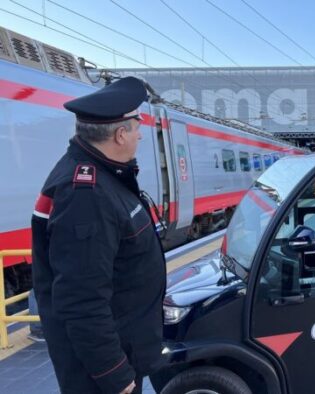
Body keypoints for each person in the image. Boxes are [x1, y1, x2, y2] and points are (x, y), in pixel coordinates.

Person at [31, 77, 166, 394]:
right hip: (103, 374)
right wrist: (116, 376)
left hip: (122, 349)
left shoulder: (101, 173)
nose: (140, 135)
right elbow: (81, 300)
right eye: (137, 126)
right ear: (120, 135)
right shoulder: (86, 195)